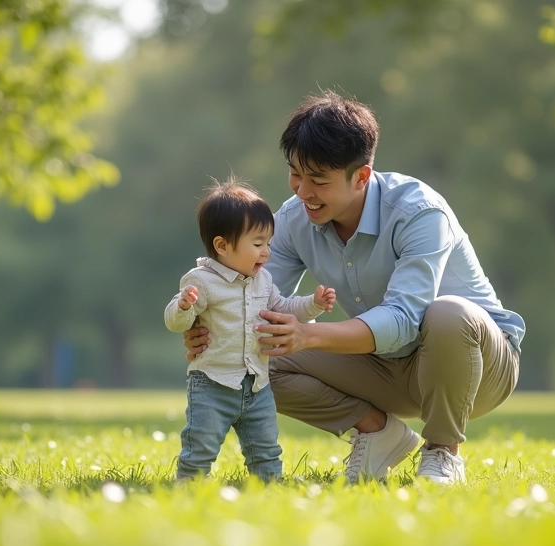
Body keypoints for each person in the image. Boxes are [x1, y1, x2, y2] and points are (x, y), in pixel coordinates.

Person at [184, 91, 525, 485]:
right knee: (252, 355)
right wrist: (207, 326)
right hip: (385, 366)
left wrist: (308, 334)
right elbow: (246, 291)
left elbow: (404, 319)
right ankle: (377, 430)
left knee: (448, 312)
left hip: (475, 367)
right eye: (295, 172)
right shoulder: (295, 217)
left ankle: (442, 453)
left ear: (361, 176)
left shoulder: (418, 211)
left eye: (319, 180)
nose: (302, 190)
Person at [165, 177, 337, 481]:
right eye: (257, 244)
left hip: (257, 384)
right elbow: (176, 323)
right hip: (213, 384)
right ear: (222, 245)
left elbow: (282, 309)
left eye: (268, 243)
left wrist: (313, 303)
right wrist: (183, 307)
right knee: (200, 446)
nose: (266, 253)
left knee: (266, 448)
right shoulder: (201, 281)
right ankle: (189, 485)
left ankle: (269, 485)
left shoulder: (263, 281)